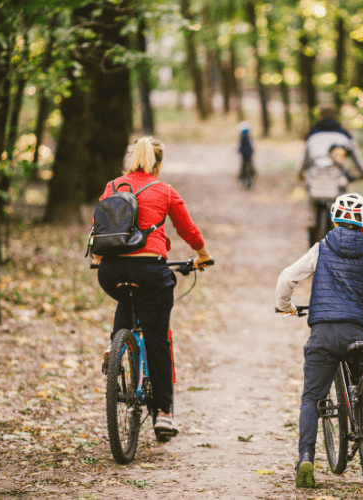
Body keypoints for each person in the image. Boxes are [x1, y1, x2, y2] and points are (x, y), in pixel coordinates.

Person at [275, 193, 363, 488]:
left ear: (335, 219)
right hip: (354, 334)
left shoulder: (321, 248)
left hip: (322, 334)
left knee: (311, 397)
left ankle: (306, 458)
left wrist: (286, 306)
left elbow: (287, 277)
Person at [94, 136, 213, 435]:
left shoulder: (112, 186)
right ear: (158, 165)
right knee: (157, 338)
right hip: (150, 269)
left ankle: (115, 345)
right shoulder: (164, 190)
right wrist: (202, 255)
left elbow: (101, 227)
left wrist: (99, 258)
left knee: (127, 294)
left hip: (110, 272)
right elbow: (188, 229)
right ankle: (163, 413)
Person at [298, 105, 363, 246]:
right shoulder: (345, 136)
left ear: (319, 117)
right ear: (337, 118)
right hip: (337, 185)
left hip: (315, 183)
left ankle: (311, 221)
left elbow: (302, 163)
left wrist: (301, 174)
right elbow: (358, 161)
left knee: (312, 201)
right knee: (343, 209)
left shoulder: (312, 136)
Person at [237, 121, 255, 187]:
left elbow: (241, 146)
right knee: (248, 164)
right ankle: (251, 174)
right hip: (249, 153)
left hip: (245, 154)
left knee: (244, 165)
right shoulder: (248, 136)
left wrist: (239, 150)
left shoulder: (243, 136)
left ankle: (242, 177)